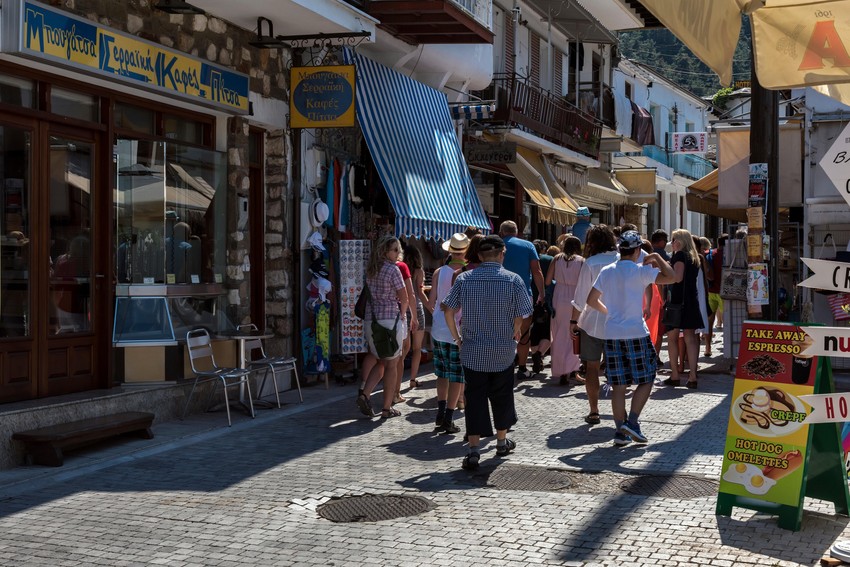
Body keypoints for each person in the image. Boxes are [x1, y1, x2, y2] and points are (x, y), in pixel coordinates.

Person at [443, 235, 533, 470]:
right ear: (502, 254)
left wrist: (457, 339)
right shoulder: (512, 280)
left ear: (480, 256)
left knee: (475, 399)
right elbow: (523, 311)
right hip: (503, 350)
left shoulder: (464, 279)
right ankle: (501, 442)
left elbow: (448, 311)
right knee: (502, 396)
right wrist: (515, 329)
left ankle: (473, 450)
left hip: (473, 350)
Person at [585, 230, 677, 445]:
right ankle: (632, 422)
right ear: (637, 250)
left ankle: (620, 431)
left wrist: (608, 312)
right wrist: (657, 258)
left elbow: (591, 300)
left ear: (620, 249)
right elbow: (671, 277)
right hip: (636, 331)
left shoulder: (607, 271)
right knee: (647, 379)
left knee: (618, 384)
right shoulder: (640, 271)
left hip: (612, 333)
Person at [356, 234, 409, 419]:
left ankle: (365, 394)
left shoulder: (371, 270)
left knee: (380, 361)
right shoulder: (393, 270)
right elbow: (404, 298)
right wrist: (402, 316)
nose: (398, 253)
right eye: (395, 249)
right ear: (384, 251)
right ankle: (387, 408)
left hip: (372, 321)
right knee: (392, 365)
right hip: (389, 322)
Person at [570, 225, 618, 424]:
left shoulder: (591, 262)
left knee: (591, 367)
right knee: (617, 369)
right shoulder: (621, 261)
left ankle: (594, 410)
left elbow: (581, 296)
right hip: (617, 322)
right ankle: (619, 413)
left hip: (592, 322)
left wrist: (573, 321)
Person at [427, 233, 469, 434]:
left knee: (442, 372)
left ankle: (440, 411)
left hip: (438, 328)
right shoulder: (465, 273)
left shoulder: (438, 272)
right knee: (456, 376)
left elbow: (432, 302)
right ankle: (449, 417)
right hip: (457, 329)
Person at [498, 220, 544, 380]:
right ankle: (522, 368)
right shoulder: (528, 246)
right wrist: (542, 294)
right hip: (524, 293)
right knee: (524, 333)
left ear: (502, 232)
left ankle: (502, 366)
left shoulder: (497, 245)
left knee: (501, 331)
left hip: (499, 293)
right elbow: (537, 272)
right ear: (517, 232)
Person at [660, 229, 705, 389]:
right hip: (691, 301)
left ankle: (675, 375)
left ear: (680, 241)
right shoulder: (695, 258)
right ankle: (692, 376)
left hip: (677, 302)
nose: (671, 243)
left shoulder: (679, 256)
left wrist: (663, 276)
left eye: (673, 240)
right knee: (691, 339)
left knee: (672, 339)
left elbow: (677, 278)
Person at [546, 235, 584, 385]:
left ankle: (561, 369)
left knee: (558, 333)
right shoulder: (581, 261)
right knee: (573, 333)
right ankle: (573, 369)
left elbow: (548, 281)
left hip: (559, 296)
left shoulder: (556, 259)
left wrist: (561, 279)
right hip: (576, 297)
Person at [402, 243, 428, 390]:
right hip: (417, 309)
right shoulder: (419, 271)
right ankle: (413, 379)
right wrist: (431, 306)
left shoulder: (400, 270)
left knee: (404, 349)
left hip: (404, 308)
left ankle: (397, 377)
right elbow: (420, 293)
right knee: (417, 348)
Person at [530, 240, 554, 374]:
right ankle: (539, 353)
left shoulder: (527, 260)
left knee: (532, 331)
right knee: (547, 330)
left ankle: (534, 353)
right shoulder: (549, 259)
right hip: (547, 299)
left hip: (530, 297)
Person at [706, 234, 727, 350]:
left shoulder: (711, 254)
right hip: (724, 292)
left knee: (710, 321)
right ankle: (726, 345)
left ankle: (708, 347)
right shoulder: (728, 255)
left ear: (718, 243)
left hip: (711, 290)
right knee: (726, 321)